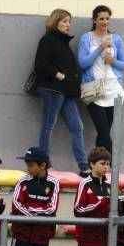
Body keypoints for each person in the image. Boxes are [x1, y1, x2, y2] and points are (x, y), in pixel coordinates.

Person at [33, 9, 87, 176]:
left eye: (69, 21)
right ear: (55, 22)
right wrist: (59, 75)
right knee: (48, 125)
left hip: (66, 92)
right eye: (64, 21)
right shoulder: (48, 40)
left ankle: (84, 166)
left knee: (77, 126)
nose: (68, 25)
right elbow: (40, 64)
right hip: (52, 89)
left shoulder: (63, 42)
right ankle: (44, 164)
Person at [76, 5, 124, 154]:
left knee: (104, 133)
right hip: (94, 88)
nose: (105, 22)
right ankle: (110, 165)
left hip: (113, 88)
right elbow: (82, 63)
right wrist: (100, 48)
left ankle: (99, 167)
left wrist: (113, 61)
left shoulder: (116, 39)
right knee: (103, 130)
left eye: (107, 19)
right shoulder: (86, 38)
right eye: (101, 19)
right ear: (94, 20)